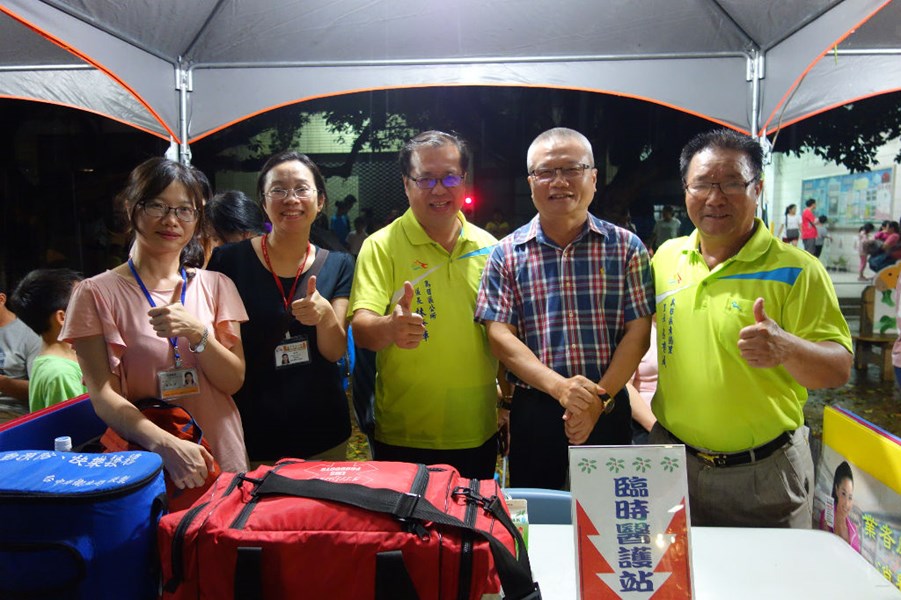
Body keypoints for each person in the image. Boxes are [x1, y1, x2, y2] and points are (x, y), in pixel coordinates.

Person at [650, 128, 853, 528]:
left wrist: (788, 348)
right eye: (702, 184)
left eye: (731, 183)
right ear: (685, 189)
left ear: (757, 188)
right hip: (671, 464)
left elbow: (838, 369)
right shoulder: (666, 258)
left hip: (764, 474)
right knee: (672, 569)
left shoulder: (798, 269)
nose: (715, 198)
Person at [475, 127, 654, 490]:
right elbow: (499, 336)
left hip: (608, 402)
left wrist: (597, 400)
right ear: (531, 182)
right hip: (535, 409)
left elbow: (638, 333)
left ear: (593, 178)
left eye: (572, 169)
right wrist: (560, 389)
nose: (559, 182)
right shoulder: (506, 254)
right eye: (546, 172)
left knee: (608, 512)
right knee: (540, 513)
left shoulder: (627, 248)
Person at [62, 157, 250, 486]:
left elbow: (233, 381)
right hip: (148, 462)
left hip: (223, 455)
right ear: (131, 207)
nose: (171, 220)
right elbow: (103, 397)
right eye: (157, 206)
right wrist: (166, 445)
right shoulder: (95, 294)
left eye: (185, 210)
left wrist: (197, 333)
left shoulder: (217, 286)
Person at [349, 130, 500, 480]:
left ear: (464, 181)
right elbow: (362, 330)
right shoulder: (381, 246)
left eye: (450, 177)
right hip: (404, 431)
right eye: (426, 179)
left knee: (470, 515)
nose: (439, 189)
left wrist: (505, 404)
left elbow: (502, 334)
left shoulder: (491, 248)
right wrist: (390, 328)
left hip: (477, 427)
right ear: (406, 184)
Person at [207, 151, 354, 464]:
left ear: (320, 200)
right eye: (278, 190)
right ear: (263, 201)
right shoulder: (228, 261)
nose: (291, 199)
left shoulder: (339, 264)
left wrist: (325, 317)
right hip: (253, 431)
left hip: (323, 430)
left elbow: (334, 352)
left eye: (301, 189)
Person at [9, 268, 86, 412]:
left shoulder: (66, 361)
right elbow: (78, 423)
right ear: (62, 317)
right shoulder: (60, 373)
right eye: (85, 301)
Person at [0, 273, 42, 423]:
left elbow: (37, 389)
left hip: (11, 413)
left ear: (1, 299)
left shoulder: (29, 334)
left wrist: (3, 382)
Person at [818, 461, 860, 553]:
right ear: (837, 490)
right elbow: (824, 549)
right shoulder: (826, 516)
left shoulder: (854, 531)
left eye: (850, 497)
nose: (846, 503)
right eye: (843, 494)